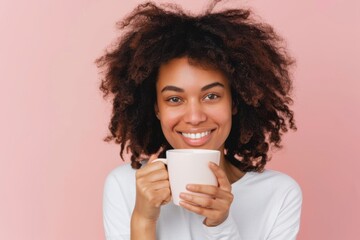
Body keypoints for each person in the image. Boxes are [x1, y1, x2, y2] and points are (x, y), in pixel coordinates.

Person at [97, 1, 302, 239]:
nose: (194, 117)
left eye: (211, 96)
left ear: (235, 103)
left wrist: (220, 225)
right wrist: (144, 218)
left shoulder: (279, 194)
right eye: (174, 99)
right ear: (156, 109)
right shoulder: (123, 185)